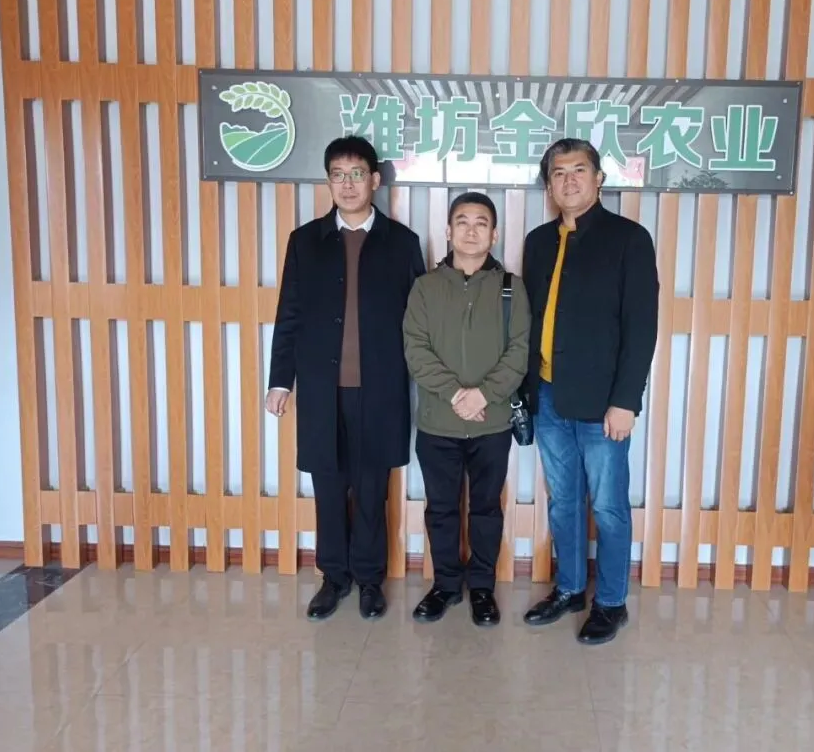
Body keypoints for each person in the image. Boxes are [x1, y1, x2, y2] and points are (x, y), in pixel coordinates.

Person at [266, 135, 425, 621]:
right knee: (329, 486)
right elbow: (289, 315)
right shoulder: (305, 242)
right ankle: (334, 577)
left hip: (381, 389)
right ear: (329, 182)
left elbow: (419, 321)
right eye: (338, 175)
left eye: (357, 174)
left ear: (374, 180)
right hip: (322, 389)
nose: (348, 184)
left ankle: (370, 579)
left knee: (372, 489)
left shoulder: (402, 243)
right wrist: (280, 380)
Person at [521, 138, 660, 645]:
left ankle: (611, 602)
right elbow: (531, 319)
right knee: (563, 501)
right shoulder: (539, 242)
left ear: (599, 179)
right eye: (559, 173)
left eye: (579, 170)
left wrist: (627, 401)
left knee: (607, 506)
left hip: (604, 403)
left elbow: (641, 326)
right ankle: (571, 589)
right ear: (549, 185)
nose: (569, 180)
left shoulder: (628, 239)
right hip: (549, 394)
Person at [403, 192, 530, 627]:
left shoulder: (511, 286)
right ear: (448, 231)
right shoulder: (425, 287)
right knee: (440, 508)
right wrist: (458, 395)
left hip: (491, 423)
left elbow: (519, 351)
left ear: (494, 234)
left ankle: (481, 588)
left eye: (481, 223)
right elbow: (415, 350)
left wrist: (484, 395)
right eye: (462, 221)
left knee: (486, 509)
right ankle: (444, 584)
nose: (471, 230)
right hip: (438, 422)